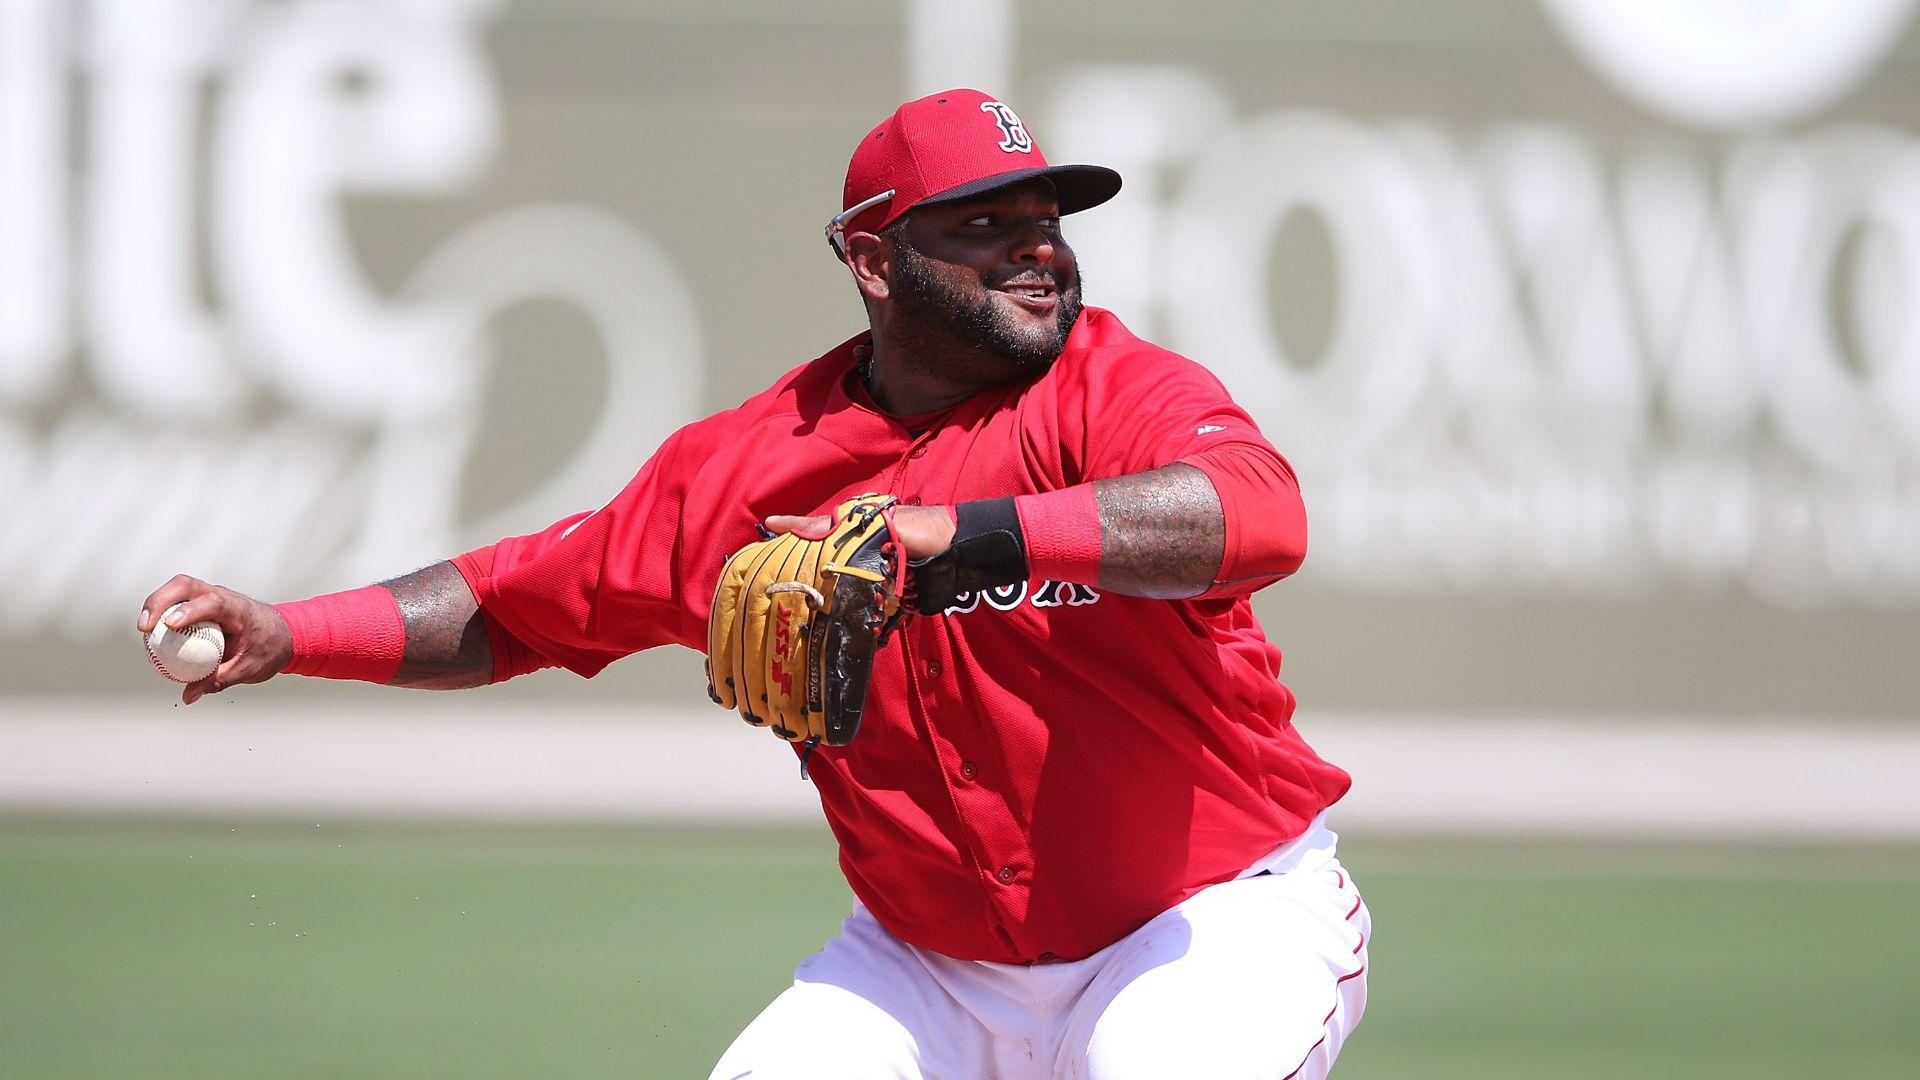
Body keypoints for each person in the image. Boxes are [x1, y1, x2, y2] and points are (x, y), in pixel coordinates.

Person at [139, 89, 1368, 1079]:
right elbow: (513, 602)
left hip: (1211, 924)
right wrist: (287, 630)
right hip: (928, 968)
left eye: (1046, 216)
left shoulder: (1117, 390)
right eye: (985, 223)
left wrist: (963, 537)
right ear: (875, 259)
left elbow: (1257, 514)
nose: (1037, 247)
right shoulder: (750, 466)